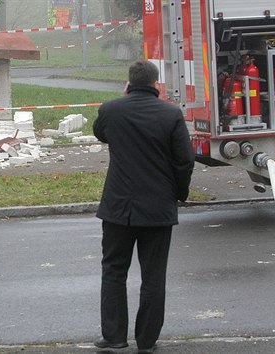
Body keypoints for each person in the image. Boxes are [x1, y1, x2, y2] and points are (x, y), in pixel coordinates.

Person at [92, 61, 195, 353]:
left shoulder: (112, 110)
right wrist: (179, 193)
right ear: (156, 85)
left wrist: (122, 99)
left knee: (113, 271)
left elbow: (101, 133)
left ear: (128, 83)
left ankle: (114, 337)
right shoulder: (171, 114)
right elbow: (184, 160)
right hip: (158, 208)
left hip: (118, 208)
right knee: (153, 276)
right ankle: (147, 341)